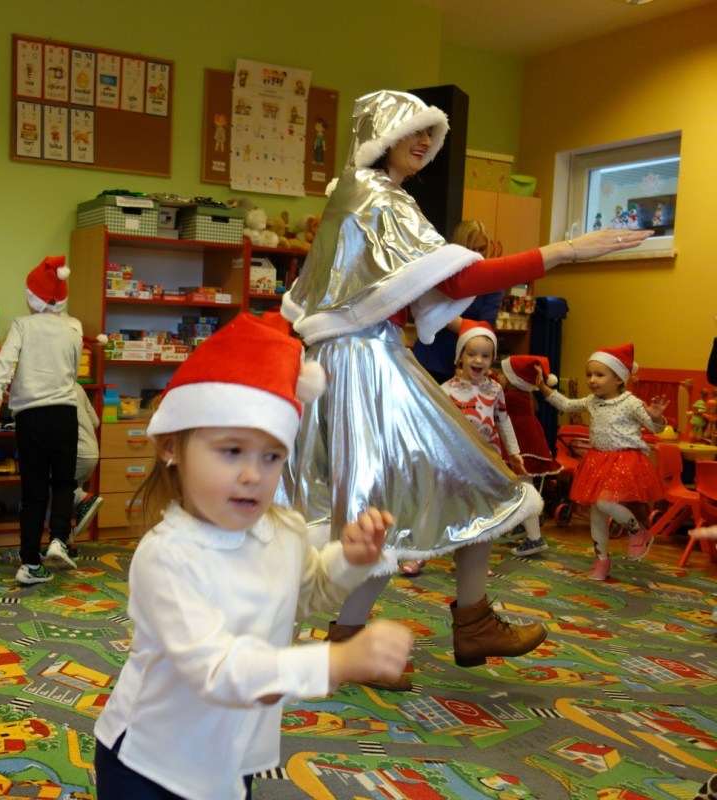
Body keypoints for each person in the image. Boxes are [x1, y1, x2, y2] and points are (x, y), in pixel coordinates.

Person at [279, 89, 650, 689]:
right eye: (411, 129)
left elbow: (412, 289)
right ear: (381, 135)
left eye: (431, 132)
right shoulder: (372, 194)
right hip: (364, 365)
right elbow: (460, 278)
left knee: (399, 507)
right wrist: (566, 250)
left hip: (364, 359)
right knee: (459, 483)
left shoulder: (373, 195)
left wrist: (461, 326)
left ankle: (373, 634)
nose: (424, 141)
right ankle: (463, 622)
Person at [93, 313, 412, 800]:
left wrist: (349, 559)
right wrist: (336, 662)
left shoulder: (283, 530)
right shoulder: (166, 556)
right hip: (149, 758)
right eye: (232, 451)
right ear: (171, 447)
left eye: (271, 456)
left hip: (232, 750)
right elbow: (217, 670)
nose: (253, 475)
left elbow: (307, 593)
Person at [400, 321, 525, 576]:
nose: (478, 360)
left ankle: (473, 559)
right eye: (472, 354)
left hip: (485, 461)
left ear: (492, 359)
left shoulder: (495, 389)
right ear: (460, 357)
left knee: (480, 510)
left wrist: (514, 453)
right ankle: (420, 554)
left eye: (485, 355)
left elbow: (503, 420)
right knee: (439, 507)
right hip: (453, 461)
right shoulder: (447, 390)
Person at [0, 255, 82, 585]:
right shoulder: (73, 328)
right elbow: (73, 370)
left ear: (31, 298)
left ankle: (29, 563)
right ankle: (59, 538)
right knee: (64, 481)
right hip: (64, 414)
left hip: (30, 419)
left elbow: (6, 359)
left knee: (34, 490)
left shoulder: (22, 325)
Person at [536, 343, 666, 580]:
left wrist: (657, 418)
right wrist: (543, 388)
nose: (592, 380)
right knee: (597, 514)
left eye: (599, 375)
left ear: (618, 379)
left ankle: (638, 532)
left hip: (625, 460)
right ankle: (602, 560)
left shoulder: (631, 402)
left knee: (605, 503)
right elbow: (566, 405)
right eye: (589, 375)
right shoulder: (592, 401)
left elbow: (654, 427)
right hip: (597, 461)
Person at [412, 219, 504, 385]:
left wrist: (445, 317)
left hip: (468, 364)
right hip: (432, 358)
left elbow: (486, 326)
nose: (477, 254)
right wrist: (471, 327)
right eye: (470, 249)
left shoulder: (494, 281)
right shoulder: (443, 273)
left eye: (482, 249)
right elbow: (432, 310)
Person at [497, 354, 563, 557]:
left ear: (514, 380)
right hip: (528, 445)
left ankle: (535, 538)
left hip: (521, 447)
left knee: (524, 491)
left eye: (503, 373)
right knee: (523, 489)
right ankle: (522, 525)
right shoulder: (525, 396)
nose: (498, 376)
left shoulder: (510, 398)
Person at [70, 381, 103, 542]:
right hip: (91, 451)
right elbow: (95, 422)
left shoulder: (52, 385)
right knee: (60, 496)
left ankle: (82, 498)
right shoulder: (77, 386)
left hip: (74, 451)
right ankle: (67, 543)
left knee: (55, 491)